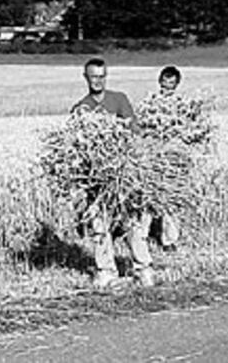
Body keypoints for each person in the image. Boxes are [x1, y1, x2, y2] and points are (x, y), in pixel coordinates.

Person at [72, 58, 155, 288]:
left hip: (123, 176)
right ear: (85, 77)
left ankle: (142, 268)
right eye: (93, 76)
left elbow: (132, 127)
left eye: (101, 76)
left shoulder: (118, 99)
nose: (97, 81)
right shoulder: (81, 108)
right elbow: (77, 147)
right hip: (96, 180)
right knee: (99, 226)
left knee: (132, 224)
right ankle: (106, 270)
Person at [146, 65, 184, 252]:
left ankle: (169, 240)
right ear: (159, 81)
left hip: (174, 157)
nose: (167, 87)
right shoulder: (150, 104)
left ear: (176, 85)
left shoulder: (181, 105)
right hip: (154, 156)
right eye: (165, 83)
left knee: (171, 201)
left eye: (171, 84)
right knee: (149, 199)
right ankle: (143, 236)